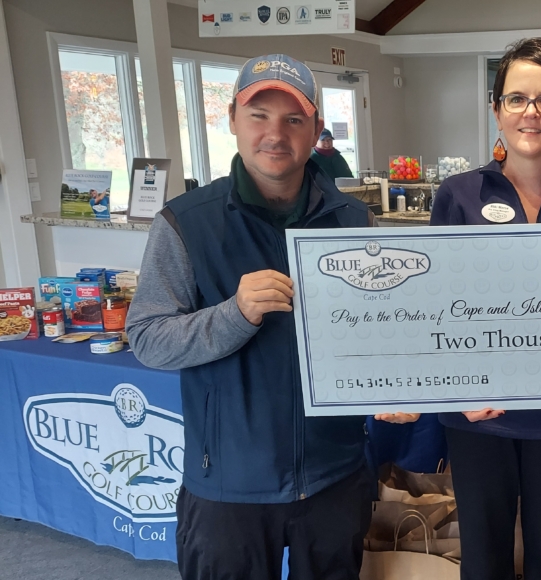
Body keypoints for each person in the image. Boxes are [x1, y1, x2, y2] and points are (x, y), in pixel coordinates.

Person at [126, 53, 416, 580]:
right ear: (233, 120)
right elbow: (148, 339)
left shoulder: (354, 221)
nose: (274, 133)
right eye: (258, 115)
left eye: (293, 119)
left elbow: (382, 332)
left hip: (335, 475)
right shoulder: (184, 223)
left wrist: (391, 390)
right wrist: (234, 314)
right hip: (227, 488)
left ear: (316, 132)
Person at [429, 37, 541, 580]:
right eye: (516, 99)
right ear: (496, 110)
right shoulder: (458, 195)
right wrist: (457, 389)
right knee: (482, 557)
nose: (530, 112)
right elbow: (433, 310)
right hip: (477, 414)